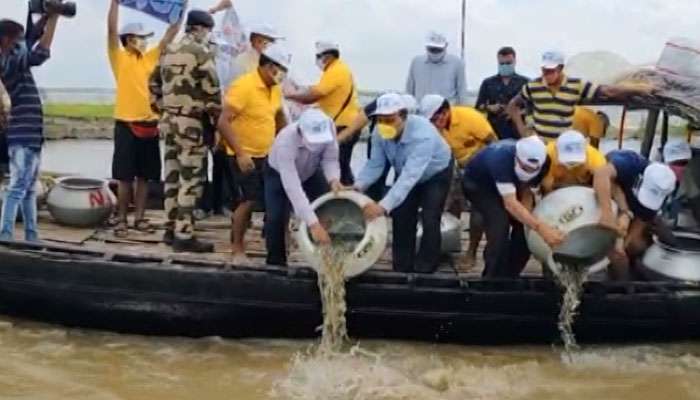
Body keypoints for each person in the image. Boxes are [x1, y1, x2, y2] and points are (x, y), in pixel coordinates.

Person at [107, 0, 184, 238]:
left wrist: (181, 11)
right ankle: (121, 218)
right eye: (142, 37)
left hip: (150, 124)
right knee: (124, 176)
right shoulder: (119, 58)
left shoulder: (151, 58)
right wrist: (114, 4)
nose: (146, 41)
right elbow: (111, 31)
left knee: (145, 176)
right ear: (130, 39)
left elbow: (169, 36)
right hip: (125, 125)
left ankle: (139, 218)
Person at [354, 93, 453, 274]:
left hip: (435, 172)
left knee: (430, 217)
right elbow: (375, 164)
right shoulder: (378, 131)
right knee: (402, 215)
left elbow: (409, 177)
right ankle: (402, 266)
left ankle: (426, 267)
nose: (385, 124)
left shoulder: (423, 135)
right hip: (406, 170)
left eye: (390, 119)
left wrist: (382, 206)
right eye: (381, 119)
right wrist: (358, 185)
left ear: (404, 116)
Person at [149, 10, 221, 252]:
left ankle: (169, 229)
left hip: (168, 122)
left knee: (171, 176)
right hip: (191, 124)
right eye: (207, 30)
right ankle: (184, 235)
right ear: (201, 29)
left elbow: (153, 84)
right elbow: (212, 94)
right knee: (191, 180)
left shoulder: (168, 50)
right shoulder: (202, 52)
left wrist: (164, 109)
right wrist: (216, 125)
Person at [217, 43, 290, 264]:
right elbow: (223, 121)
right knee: (247, 201)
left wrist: (286, 143)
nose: (282, 74)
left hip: (268, 155)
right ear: (268, 66)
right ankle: (237, 248)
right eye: (280, 69)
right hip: (243, 155)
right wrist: (240, 153)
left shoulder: (275, 89)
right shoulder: (244, 86)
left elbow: (278, 118)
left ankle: (277, 244)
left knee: (276, 200)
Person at [462, 136, 565, 278]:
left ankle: (510, 274)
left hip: (513, 184)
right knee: (499, 226)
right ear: (517, 157)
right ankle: (491, 277)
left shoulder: (545, 162)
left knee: (525, 231)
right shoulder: (500, 159)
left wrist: (528, 220)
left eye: (532, 169)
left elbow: (527, 190)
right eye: (524, 167)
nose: (528, 170)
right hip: (480, 186)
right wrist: (541, 228)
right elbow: (510, 204)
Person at [0, 13, 60, 242]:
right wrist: (54, 21)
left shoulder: (12, 56)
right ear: (6, 40)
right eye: (16, 39)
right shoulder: (8, 62)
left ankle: (31, 235)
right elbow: (40, 52)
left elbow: (32, 38)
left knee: (29, 190)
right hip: (22, 135)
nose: (19, 43)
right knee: (17, 188)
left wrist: (45, 18)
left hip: (31, 135)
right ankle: (5, 234)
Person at [420, 94, 497, 268]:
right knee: (448, 204)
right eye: (430, 120)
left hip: (482, 165)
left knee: (478, 210)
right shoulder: (430, 127)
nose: (434, 123)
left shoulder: (470, 117)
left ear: (445, 111)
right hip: (451, 164)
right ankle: (449, 245)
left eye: (436, 118)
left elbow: (493, 143)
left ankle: (471, 253)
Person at [507, 50, 654, 141]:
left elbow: (607, 91)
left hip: (562, 145)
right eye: (545, 70)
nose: (547, 74)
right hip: (541, 144)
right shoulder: (533, 86)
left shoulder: (576, 85)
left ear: (560, 68)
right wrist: (522, 130)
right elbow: (513, 105)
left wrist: (637, 90)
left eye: (551, 71)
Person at [264, 109, 345, 266]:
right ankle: (276, 263)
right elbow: (293, 188)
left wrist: (334, 179)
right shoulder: (285, 143)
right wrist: (313, 225)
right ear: (300, 131)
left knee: (327, 207)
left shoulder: (329, 126)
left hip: (311, 171)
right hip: (279, 174)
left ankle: (327, 259)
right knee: (276, 217)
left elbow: (330, 158)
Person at [286, 41, 361, 185]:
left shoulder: (336, 70)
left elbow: (314, 95)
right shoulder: (336, 70)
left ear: (326, 56)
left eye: (318, 56)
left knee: (337, 168)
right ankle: (349, 198)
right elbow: (316, 90)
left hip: (342, 126)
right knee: (342, 167)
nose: (317, 61)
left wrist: (291, 95)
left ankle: (345, 202)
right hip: (342, 124)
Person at [594, 151, 677, 279]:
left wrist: (623, 248)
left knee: (636, 246)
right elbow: (600, 174)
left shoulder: (663, 190)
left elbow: (642, 219)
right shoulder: (630, 163)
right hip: (606, 193)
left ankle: (627, 267)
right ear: (641, 178)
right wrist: (607, 214)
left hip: (631, 208)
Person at [475, 46, 529, 140]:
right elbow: (478, 107)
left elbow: (533, 108)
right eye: (502, 63)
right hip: (494, 131)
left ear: (515, 61)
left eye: (508, 63)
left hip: (518, 131)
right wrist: (490, 107)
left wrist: (516, 112)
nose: (505, 66)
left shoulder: (525, 83)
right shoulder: (488, 83)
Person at [406, 31, 468, 106]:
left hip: (446, 112)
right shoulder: (416, 62)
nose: (435, 52)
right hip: (421, 111)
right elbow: (409, 90)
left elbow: (462, 91)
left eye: (438, 49)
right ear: (426, 47)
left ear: (446, 46)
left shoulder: (457, 63)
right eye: (432, 49)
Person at [540, 130, 607, 195]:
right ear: (556, 149)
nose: (571, 163)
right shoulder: (545, 155)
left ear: (585, 150)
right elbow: (547, 189)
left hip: (585, 189)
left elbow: (603, 188)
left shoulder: (596, 158)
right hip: (556, 189)